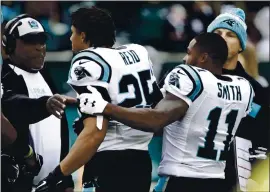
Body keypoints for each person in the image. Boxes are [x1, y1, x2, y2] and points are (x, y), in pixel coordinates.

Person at [76, 32, 255, 192]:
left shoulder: (190, 78)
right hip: (218, 181)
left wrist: (104, 107)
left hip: (182, 181)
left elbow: (156, 120)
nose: (185, 59)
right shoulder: (244, 87)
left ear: (203, 57)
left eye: (189, 52)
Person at [35, 7, 163, 192]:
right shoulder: (138, 53)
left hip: (108, 164)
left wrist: (57, 176)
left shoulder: (87, 62)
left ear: (84, 36)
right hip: (142, 161)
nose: (71, 39)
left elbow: (95, 132)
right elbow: (152, 108)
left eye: (73, 33)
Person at [1, 14, 75, 191]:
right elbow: (13, 105)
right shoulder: (7, 77)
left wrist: (66, 181)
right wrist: (44, 105)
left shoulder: (45, 76)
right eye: (30, 41)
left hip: (52, 184)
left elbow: (59, 129)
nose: (39, 48)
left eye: (41, 41)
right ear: (10, 45)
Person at [206, 8, 269, 190]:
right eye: (217, 33)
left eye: (230, 34)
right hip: (191, 176)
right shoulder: (188, 79)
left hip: (235, 179)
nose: (222, 38)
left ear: (241, 45)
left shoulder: (257, 91)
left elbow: (263, 140)